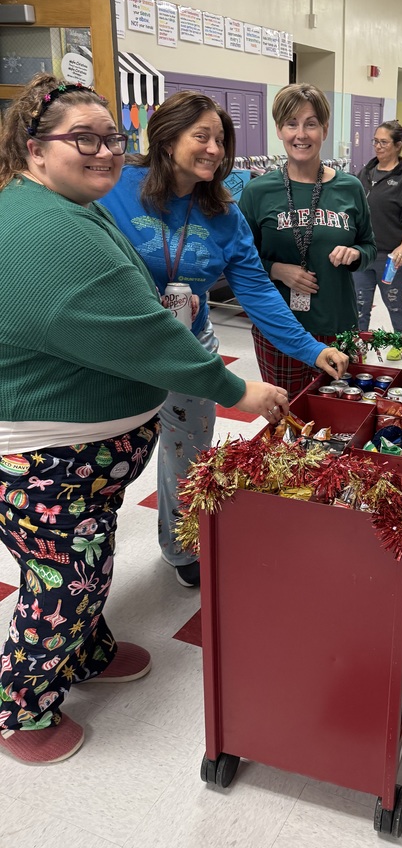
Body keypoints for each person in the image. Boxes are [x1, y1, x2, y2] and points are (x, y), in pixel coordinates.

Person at [0, 75, 295, 765]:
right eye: (84, 139)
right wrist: (235, 391)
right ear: (35, 148)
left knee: (88, 559)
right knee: (62, 579)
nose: (104, 151)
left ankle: (87, 649)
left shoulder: (70, 204)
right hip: (41, 456)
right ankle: (22, 709)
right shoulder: (48, 229)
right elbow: (146, 333)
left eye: (111, 138)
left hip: (82, 460)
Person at [101, 91, 348, 588]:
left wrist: (311, 348)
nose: (215, 149)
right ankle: (87, 569)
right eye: (202, 137)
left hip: (189, 352)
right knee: (110, 466)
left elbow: (257, 290)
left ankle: (182, 544)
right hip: (120, 353)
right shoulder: (114, 188)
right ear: (167, 138)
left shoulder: (223, 212)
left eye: (221, 139)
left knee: (188, 453)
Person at [239, 83, 376, 397]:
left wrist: (355, 253)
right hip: (280, 327)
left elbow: (369, 246)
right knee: (290, 417)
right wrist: (276, 269)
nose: (301, 134)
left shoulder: (350, 187)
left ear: (324, 130)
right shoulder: (258, 192)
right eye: (291, 124)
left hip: (338, 325)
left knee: (340, 413)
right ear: (279, 129)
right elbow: (240, 261)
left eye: (310, 124)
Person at [354, 120, 402, 361]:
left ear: (398, 145)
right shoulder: (365, 173)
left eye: (383, 142)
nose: (377, 146)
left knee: (393, 299)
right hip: (364, 254)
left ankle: (401, 340)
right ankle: (359, 346)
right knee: (360, 302)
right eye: (375, 141)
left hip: (392, 257)